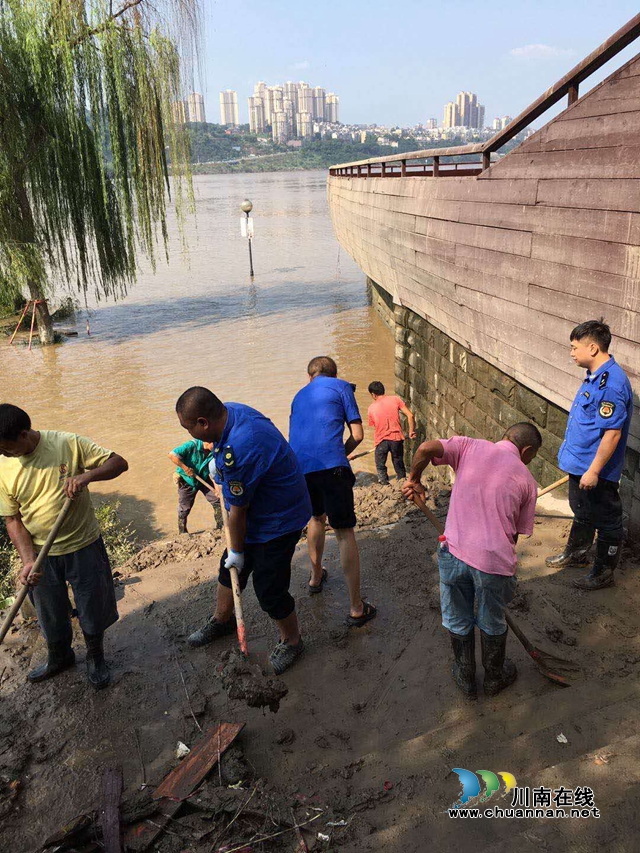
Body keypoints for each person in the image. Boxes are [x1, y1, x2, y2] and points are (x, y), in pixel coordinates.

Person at [176, 387, 311, 674]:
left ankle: (292, 640)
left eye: (189, 428)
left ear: (203, 423)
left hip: (279, 517)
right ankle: (222, 620)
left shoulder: (240, 447)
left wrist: (238, 551)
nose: (189, 435)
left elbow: (238, 512)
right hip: (259, 505)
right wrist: (220, 470)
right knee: (229, 569)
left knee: (269, 588)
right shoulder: (230, 412)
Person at [402, 423, 541, 699]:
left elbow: (425, 448)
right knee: (492, 620)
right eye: (532, 457)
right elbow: (514, 535)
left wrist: (414, 479)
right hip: (494, 563)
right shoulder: (527, 481)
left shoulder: (469, 446)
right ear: (526, 451)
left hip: (453, 552)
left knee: (457, 615)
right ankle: (494, 678)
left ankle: (465, 676)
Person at [0, 404, 128, 689]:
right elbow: (13, 520)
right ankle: (60, 657)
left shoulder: (68, 443)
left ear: (23, 434)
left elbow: (119, 463)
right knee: (49, 613)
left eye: (6, 449)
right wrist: (28, 561)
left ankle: (95, 656)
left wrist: (86, 476)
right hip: (41, 555)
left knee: (92, 606)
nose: (4, 454)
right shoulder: (3, 468)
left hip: (84, 544)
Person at [546, 319, 633, 590]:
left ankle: (603, 572)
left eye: (574, 347)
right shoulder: (595, 376)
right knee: (582, 510)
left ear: (593, 348)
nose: (571, 353)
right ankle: (577, 553)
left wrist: (594, 471)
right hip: (580, 463)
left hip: (596, 469)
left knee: (607, 520)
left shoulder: (611, 385)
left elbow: (612, 434)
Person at [289, 356, 376, 626]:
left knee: (316, 518)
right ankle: (356, 607)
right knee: (344, 531)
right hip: (332, 468)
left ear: (310, 377)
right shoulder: (341, 387)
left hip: (301, 470)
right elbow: (358, 434)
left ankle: (315, 577)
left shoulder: (298, 396)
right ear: (334, 374)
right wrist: (342, 454)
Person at [365, 381, 417, 484]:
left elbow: (375, 425)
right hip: (396, 439)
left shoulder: (371, 408)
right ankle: (402, 481)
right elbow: (410, 415)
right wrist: (411, 431)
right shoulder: (395, 399)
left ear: (373, 394)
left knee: (380, 465)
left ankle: (384, 483)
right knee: (398, 461)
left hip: (381, 441)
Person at [168, 439, 222, 534]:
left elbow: (214, 473)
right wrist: (186, 469)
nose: (218, 446)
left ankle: (220, 527)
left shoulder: (213, 452)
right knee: (185, 508)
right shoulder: (191, 445)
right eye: (216, 444)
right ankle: (182, 532)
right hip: (187, 481)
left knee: (216, 500)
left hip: (204, 478)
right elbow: (171, 455)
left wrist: (217, 490)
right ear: (208, 441)